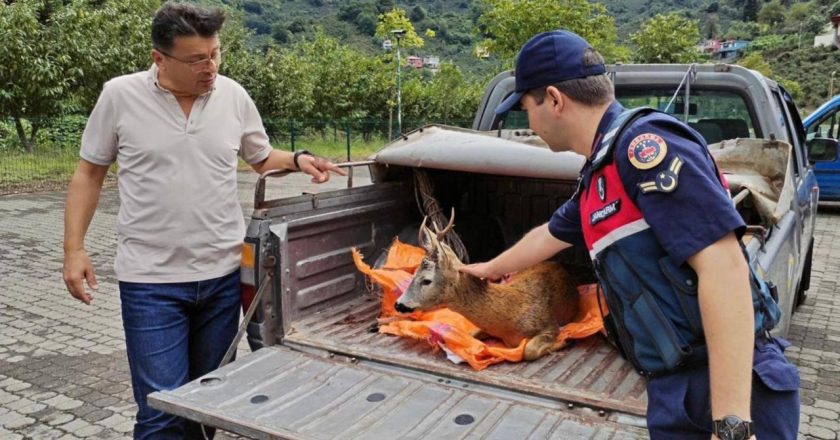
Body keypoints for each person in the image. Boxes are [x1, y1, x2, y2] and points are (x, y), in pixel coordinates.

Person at [461, 30, 800, 440]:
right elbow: (547, 236)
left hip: (729, 386)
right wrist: (486, 269)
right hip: (678, 387)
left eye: (525, 107)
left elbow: (724, 270)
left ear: (554, 99)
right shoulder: (600, 176)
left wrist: (731, 425)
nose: (526, 120)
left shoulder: (644, 149)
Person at [62, 3, 344, 438]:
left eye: (215, 54)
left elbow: (260, 157)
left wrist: (301, 159)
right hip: (151, 282)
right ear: (159, 58)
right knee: (161, 414)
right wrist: (74, 249)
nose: (209, 66)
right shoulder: (120, 95)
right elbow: (89, 172)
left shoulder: (233, 95)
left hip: (221, 277)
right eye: (196, 59)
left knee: (206, 404)